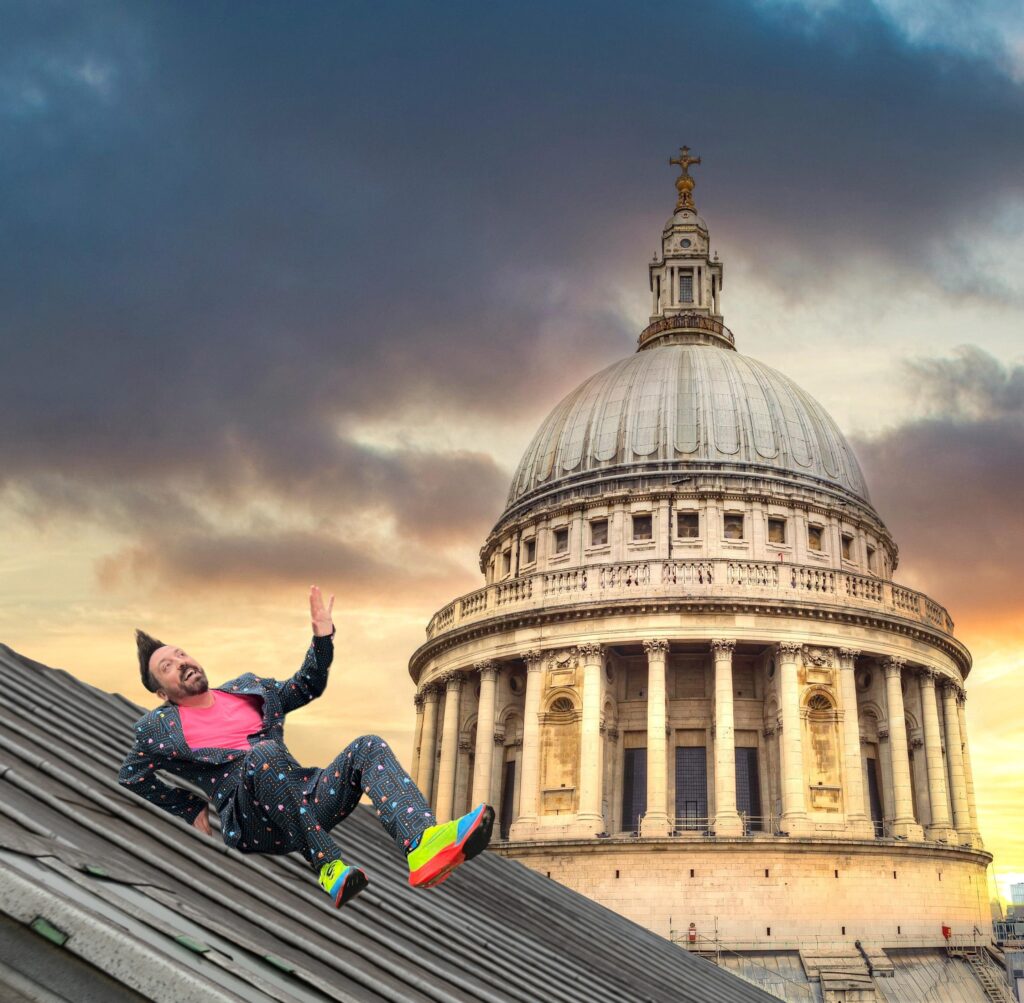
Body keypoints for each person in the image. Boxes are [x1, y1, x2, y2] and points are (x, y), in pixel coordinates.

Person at [118, 584, 493, 908]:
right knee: (261, 755)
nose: (181, 662)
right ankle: (327, 864)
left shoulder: (248, 687)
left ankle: (422, 843)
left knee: (368, 746)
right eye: (167, 666)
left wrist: (322, 638)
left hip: (303, 796)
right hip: (255, 821)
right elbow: (131, 776)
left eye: (181, 653)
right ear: (161, 692)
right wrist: (187, 805)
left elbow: (304, 685)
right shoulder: (158, 728)